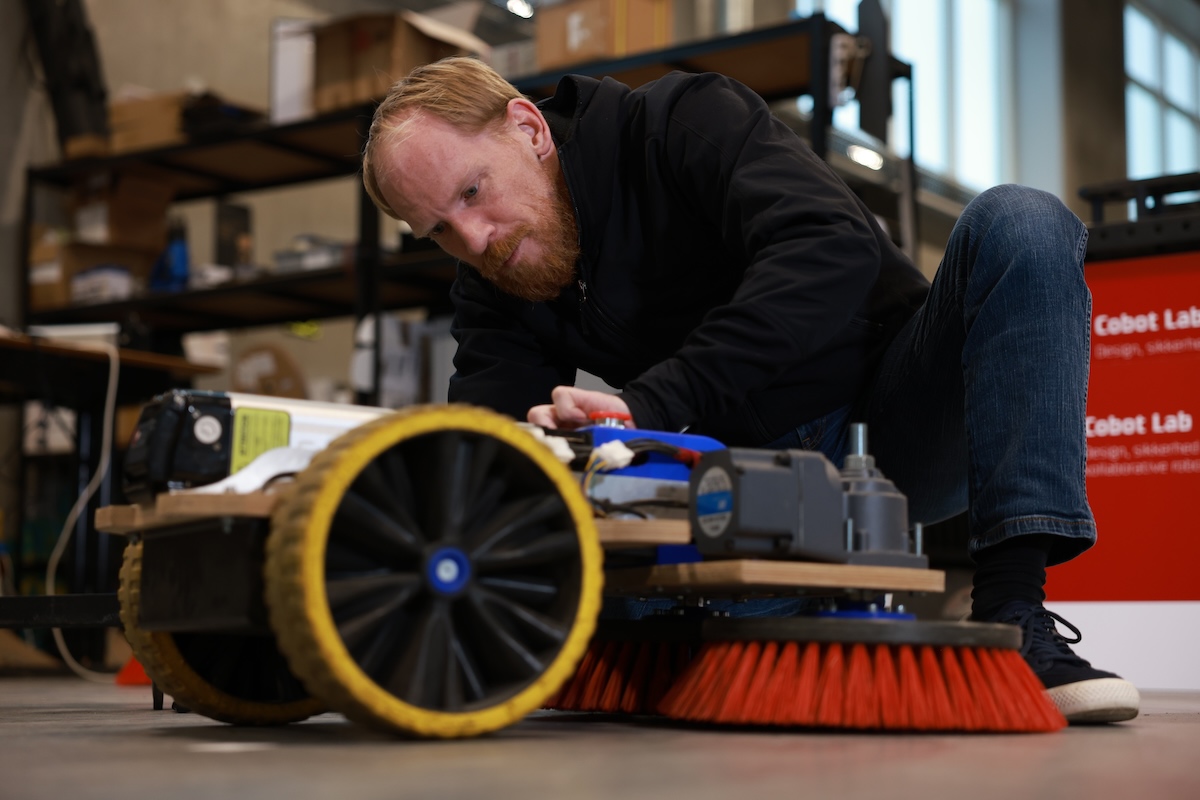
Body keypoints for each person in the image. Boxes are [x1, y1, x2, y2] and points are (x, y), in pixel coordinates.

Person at [361, 56, 1139, 724]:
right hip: (740, 496)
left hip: (891, 435)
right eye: (438, 231)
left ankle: (1013, 616)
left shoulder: (682, 122)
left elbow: (829, 249)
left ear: (529, 129)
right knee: (607, 601)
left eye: (471, 192)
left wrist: (651, 408)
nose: (473, 241)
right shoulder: (492, 277)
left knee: (1023, 220)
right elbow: (491, 448)